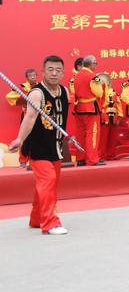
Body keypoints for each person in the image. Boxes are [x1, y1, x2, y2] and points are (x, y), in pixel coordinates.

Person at [8, 56, 69, 235]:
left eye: (58, 70)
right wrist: (19, 139)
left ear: (63, 73)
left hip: (55, 147)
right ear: (42, 72)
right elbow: (30, 117)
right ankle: (50, 223)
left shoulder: (64, 91)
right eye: (50, 69)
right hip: (38, 147)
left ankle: (36, 218)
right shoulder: (37, 93)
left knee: (48, 185)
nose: (54, 73)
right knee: (48, 180)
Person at [73, 55, 104, 166]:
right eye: (95, 64)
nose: (96, 66)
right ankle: (92, 159)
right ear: (91, 64)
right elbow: (99, 93)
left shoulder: (76, 75)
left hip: (79, 108)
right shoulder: (92, 76)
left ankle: (81, 159)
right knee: (93, 134)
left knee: (81, 134)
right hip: (90, 107)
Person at [5, 68, 37, 168]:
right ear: (27, 78)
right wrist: (25, 98)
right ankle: (23, 160)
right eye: (31, 76)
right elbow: (9, 97)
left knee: (38, 137)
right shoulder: (22, 88)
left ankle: (35, 160)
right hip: (27, 115)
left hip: (39, 116)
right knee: (25, 138)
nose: (33, 77)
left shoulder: (40, 86)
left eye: (34, 75)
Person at [98, 82, 123, 161]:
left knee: (113, 138)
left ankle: (111, 155)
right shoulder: (98, 92)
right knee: (103, 139)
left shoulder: (113, 92)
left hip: (114, 117)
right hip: (104, 117)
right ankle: (101, 156)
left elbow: (118, 104)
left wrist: (119, 116)